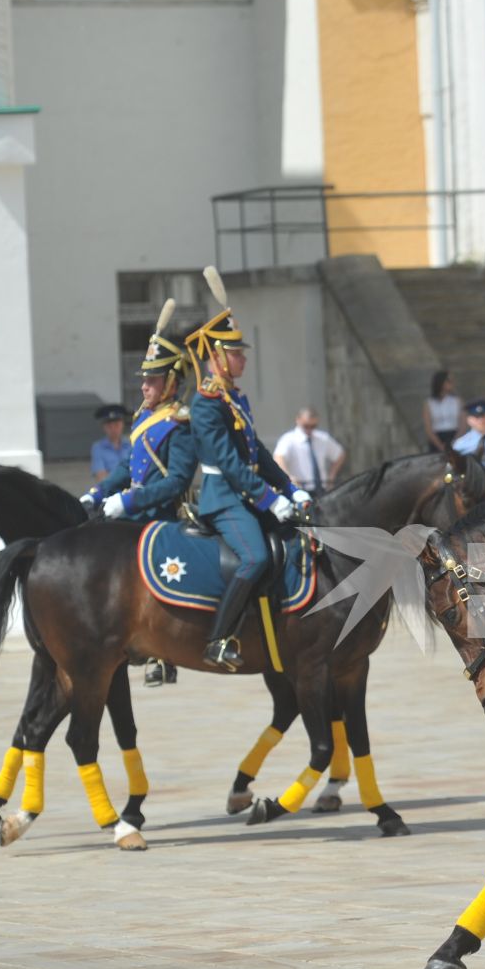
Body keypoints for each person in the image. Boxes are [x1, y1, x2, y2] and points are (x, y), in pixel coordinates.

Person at [187, 269, 308, 671]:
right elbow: (230, 463)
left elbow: (258, 453)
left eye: (241, 353)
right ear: (217, 357)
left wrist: (292, 490)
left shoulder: (235, 397)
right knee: (255, 557)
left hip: (249, 491)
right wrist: (270, 500)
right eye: (236, 353)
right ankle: (218, 639)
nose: (242, 359)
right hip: (223, 498)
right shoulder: (207, 403)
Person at [82, 303, 197, 688]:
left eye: (151, 381)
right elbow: (126, 466)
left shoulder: (179, 424)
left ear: (171, 384)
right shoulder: (144, 419)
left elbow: (177, 482)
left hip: (158, 515)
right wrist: (97, 493)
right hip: (130, 509)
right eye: (144, 380)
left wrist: (129, 501)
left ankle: (163, 654)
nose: (143, 387)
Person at [273, 407, 344, 495]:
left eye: (313, 426)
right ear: (298, 420)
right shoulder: (288, 439)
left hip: (322, 489)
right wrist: (288, 476)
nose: (309, 430)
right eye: (306, 426)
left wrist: (332, 475)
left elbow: (339, 454)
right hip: (301, 489)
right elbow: (278, 458)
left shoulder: (322, 438)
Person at [89, 404, 127, 484]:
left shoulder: (132, 444)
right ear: (104, 427)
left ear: (122, 424)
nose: (113, 429)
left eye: (116, 425)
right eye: (109, 426)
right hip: (110, 492)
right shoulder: (98, 448)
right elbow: (101, 477)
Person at [424, 371, 461, 451]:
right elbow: (428, 428)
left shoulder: (457, 401)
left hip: (454, 436)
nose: (452, 383)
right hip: (437, 438)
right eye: (448, 381)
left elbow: (463, 425)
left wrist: (454, 442)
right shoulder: (430, 403)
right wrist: (440, 445)